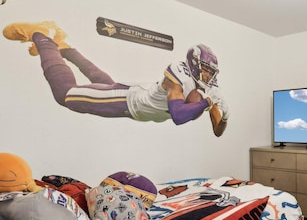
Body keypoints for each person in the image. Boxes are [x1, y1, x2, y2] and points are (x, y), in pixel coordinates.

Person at [3, 21, 228, 136]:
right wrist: (206, 104)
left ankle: (64, 48)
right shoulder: (179, 74)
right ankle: (42, 36)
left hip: (132, 101)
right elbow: (179, 115)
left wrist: (222, 116)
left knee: (101, 80)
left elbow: (217, 130)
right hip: (127, 100)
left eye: (210, 71)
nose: (208, 75)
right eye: (206, 70)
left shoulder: (205, 90)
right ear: (194, 63)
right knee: (66, 94)